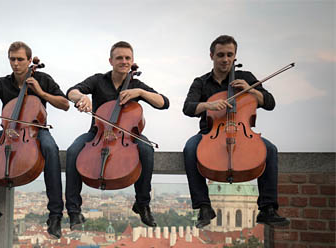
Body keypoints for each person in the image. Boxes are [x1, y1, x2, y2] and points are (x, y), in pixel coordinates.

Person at [182, 34, 289, 228]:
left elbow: (270, 102)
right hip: (210, 134)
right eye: (221, 54)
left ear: (235, 56)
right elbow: (188, 108)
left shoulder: (245, 78)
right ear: (212, 56)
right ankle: (204, 206)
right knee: (190, 148)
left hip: (242, 133)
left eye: (230, 55)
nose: (225, 59)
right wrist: (209, 105)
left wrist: (251, 90)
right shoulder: (201, 82)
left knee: (270, 150)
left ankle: (267, 209)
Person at [0, 41, 69, 238]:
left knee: (50, 149)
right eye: (12, 59)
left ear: (30, 61)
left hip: (36, 129)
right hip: (10, 132)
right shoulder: (3, 83)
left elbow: (65, 104)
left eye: (20, 59)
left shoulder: (43, 79)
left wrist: (41, 92)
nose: (16, 63)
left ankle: (55, 215)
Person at [66, 41, 169, 230]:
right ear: (111, 61)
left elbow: (164, 102)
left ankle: (143, 204)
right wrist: (81, 97)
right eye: (119, 58)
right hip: (97, 134)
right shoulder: (98, 80)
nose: (124, 61)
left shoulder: (137, 84)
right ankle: (73, 210)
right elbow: (71, 91)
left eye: (127, 58)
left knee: (146, 149)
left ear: (132, 61)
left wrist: (140, 93)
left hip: (127, 136)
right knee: (73, 151)